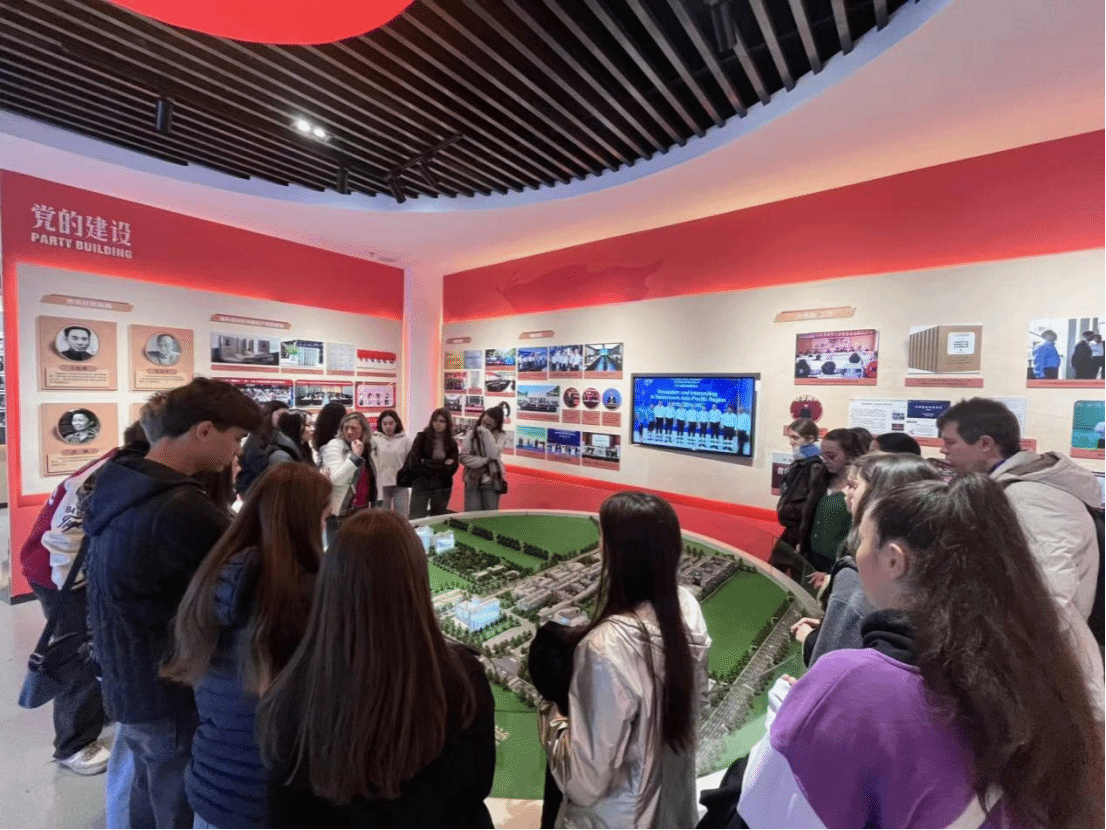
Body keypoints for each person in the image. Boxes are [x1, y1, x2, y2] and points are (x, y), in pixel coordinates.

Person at [737, 477, 1106, 828]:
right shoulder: (1039, 663)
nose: (857, 553)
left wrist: (794, 719)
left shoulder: (854, 681)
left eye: (862, 539)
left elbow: (772, 813)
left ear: (894, 560)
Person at [84, 379, 261, 829]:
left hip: (128, 677)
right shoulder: (180, 507)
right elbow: (245, 583)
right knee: (175, 801)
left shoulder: (123, 480)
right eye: (236, 438)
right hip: (167, 687)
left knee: (147, 789)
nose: (236, 452)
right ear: (204, 430)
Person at [258, 510, 496, 827]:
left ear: (331, 584)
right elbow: (476, 786)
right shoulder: (464, 682)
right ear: (417, 584)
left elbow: (283, 812)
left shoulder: (288, 694)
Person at [162, 463, 330, 830]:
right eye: (323, 517)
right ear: (306, 521)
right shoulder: (310, 598)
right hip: (272, 797)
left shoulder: (212, 577)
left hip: (212, 783)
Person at [539, 492, 711, 828]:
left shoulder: (605, 647)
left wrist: (552, 712)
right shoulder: (687, 609)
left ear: (619, 554)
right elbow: (697, 702)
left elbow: (583, 782)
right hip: (672, 810)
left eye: (603, 536)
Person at [937, 397, 1104, 716]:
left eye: (950, 443)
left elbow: (1049, 598)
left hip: (1043, 678)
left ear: (985, 444)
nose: (944, 451)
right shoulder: (1009, 491)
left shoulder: (1031, 497)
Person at [18, 422, 148, 776]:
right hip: (59, 576)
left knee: (93, 647)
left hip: (74, 574)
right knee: (80, 653)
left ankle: (95, 714)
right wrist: (76, 597)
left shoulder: (120, 466)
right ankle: (73, 744)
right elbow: (62, 540)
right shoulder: (106, 477)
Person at [791, 453, 941, 667]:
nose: (846, 492)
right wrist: (831, 626)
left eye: (853, 485)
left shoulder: (858, 571)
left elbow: (831, 664)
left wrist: (813, 639)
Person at [795, 428, 866, 590]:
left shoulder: (859, 488)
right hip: (811, 557)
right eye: (823, 455)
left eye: (831, 456)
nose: (825, 460)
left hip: (839, 563)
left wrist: (835, 570)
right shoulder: (821, 479)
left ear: (850, 455)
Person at [771, 419, 822, 577]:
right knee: (776, 567)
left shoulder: (815, 465)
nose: (791, 442)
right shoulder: (800, 462)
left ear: (810, 439)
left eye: (795, 438)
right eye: (790, 437)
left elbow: (812, 503)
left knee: (794, 573)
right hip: (792, 527)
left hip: (801, 530)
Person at [321, 412, 378, 546]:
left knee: (361, 550)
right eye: (345, 428)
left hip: (364, 508)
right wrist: (354, 456)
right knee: (338, 552)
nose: (349, 432)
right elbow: (336, 479)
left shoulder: (369, 446)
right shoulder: (335, 445)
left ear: (363, 430)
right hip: (342, 511)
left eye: (354, 428)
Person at [408, 408, 460, 519]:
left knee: (438, 517)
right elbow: (414, 463)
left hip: (442, 485)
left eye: (442, 421)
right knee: (416, 517)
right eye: (435, 420)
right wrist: (441, 465)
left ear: (447, 423)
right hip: (421, 483)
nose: (438, 424)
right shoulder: (422, 438)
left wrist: (426, 463)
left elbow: (453, 467)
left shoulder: (451, 443)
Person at [460, 406, 508, 512]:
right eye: (483, 422)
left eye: (489, 425)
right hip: (473, 480)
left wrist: (486, 433)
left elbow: (493, 454)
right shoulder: (471, 434)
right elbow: (464, 458)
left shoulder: (501, 435)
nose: (484, 426)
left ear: (496, 425)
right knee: (472, 515)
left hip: (492, 482)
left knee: (489, 516)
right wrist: (485, 460)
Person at [236, 401, 289, 495]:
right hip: (252, 487)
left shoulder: (275, 434)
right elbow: (255, 460)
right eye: (280, 415)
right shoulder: (258, 434)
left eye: (287, 416)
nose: (284, 419)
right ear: (269, 414)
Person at [372, 409, 413, 515]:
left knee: (402, 515)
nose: (388, 427)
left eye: (391, 423)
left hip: (400, 484)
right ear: (380, 424)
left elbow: (411, 461)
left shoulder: (405, 440)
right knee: (381, 515)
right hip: (381, 484)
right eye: (385, 424)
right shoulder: (374, 439)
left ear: (396, 423)